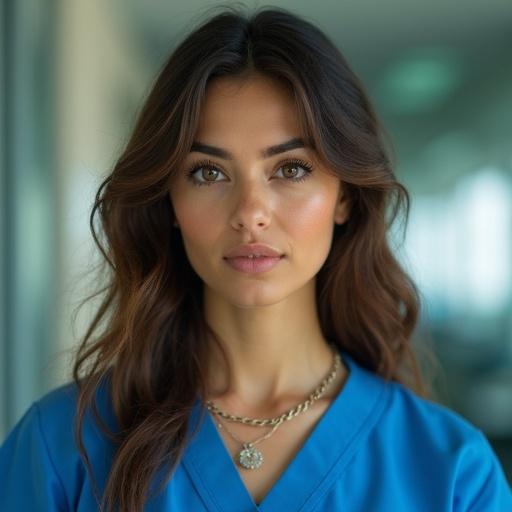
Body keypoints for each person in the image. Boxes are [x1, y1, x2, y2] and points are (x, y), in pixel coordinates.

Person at [1, 5, 511, 512]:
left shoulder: (452, 472)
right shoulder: (58, 448)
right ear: (169, 203)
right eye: (207, 173)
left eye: (290, 169)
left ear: (345, 197)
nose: (249, 214)